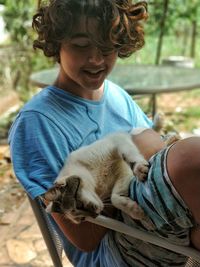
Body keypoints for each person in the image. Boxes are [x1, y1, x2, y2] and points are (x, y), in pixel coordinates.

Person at [8, 0, 200, 266]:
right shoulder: (37, 124)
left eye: (107, 47)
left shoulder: (116, 95)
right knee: (191, 156)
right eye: (81, 45)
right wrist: (131, 154)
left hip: (163, 230)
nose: (96, 59)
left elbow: (158, 159)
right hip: (115, 251)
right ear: (56, 43)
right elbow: (84, 238)